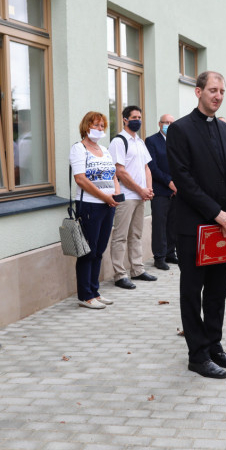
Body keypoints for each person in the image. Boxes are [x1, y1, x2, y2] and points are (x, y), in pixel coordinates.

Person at [166, 70, 226, 379]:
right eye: (213, 90)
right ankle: (197, 355)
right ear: (198, 92)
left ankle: (214, 346)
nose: (218, 96)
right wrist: (216, 213)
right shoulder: (180, 129)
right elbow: (183, 180)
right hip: (194, 227)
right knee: (192, 292)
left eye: (222, 91)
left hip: (225, 227)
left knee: (217, 291)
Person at [69, 111, 120, 309]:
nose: (99, 129)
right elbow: (80, 179)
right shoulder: (79, 149)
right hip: (90, 205)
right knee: (87, 251)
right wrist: (104, 197)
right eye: (95, 125)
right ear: (86, 126)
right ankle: (85, 295)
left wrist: (115, 194)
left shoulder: (104, 150)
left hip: (108, 205)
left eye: (102, 126)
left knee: (99, 250)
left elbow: (114, 175)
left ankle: (95, 291)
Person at [109, 106, 156, 290]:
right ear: (125, 119)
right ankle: (120, 275)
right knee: (120, 236)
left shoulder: (139, 142)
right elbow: (120, 171)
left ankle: (137, 269)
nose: (137, 120)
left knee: (136, 234)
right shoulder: (119, 142)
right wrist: (140, 190)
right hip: (126, 196)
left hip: (141, 196)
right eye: (134, 117)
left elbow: (146, 168)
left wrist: (148, 189)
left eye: (139, 117)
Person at [146, 114, 178, 271]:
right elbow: (152, 166)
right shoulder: (151, 141)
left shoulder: (177, 141)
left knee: (173, 223)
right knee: (159, 225)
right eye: (166, 122)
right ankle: (159, 257)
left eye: (171, 122)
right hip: (160, 189)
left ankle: (170, 253)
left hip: (176, 190)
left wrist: (177, 184)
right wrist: (169, 182)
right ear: (159, 124)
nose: (168, 125)